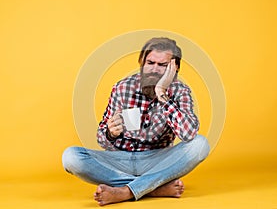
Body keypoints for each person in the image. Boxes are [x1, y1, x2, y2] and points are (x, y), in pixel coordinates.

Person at [62, 37, 210, 206]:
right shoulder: (123, 87)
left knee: (200, 144)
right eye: (150, 62)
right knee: (71, 157)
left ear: (174, 68)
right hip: (120, 160)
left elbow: (189, 133)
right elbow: (102, 139)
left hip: (157, 160)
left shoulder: (180, 91)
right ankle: (153, 188)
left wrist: (162, 94)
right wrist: (110, 133)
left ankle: (126, 191)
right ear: (141, 62)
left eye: (162, 65)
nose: (154, 69)